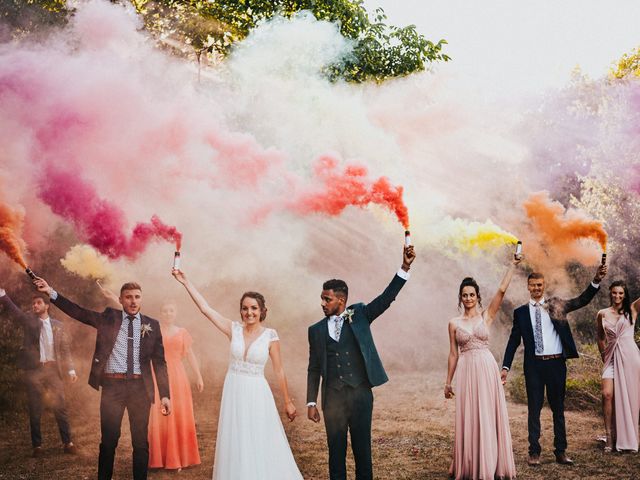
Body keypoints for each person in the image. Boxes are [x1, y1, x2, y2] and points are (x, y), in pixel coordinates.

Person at [33, 277, 171, 480]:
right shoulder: (109, 318)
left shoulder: (152, 325)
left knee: (140, 443)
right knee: (108, 441)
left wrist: (165, 395)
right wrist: (51, 292)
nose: (133, 301)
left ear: (141, 299)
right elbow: (78, 312)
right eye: (128, 297)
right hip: (113, 388)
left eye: (137, 297)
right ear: (121, 300)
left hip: (140, 389)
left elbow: (160, 362)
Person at [172, 269, 302, 480]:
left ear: (262, 311)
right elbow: (206, 309)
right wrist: (186, 282)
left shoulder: (270, 336)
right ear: (240, 311)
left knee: (258, 437)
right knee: (237, 438)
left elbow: (279, 370)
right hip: (234, 389)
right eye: (244, 309)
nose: (249, 313)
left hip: (257, 392)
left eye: (253, 308)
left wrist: (287, 401)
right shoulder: (233, 329)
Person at [307, 243, 416, 480]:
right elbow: (314, 368)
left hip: (361, 396)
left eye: (327, 299)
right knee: (335, 455)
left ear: (341, 300)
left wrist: (404, 267)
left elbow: (386, 299)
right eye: (322, 299)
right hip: (332, 399)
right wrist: (310, 402)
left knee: (362, 454)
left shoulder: (360, 315)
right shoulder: (315, 330)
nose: (323, 303)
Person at [501, 264, 607, 466]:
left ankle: (561, 451)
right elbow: (513, 342)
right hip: (534, 367)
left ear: (544, 285)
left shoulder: (556, 305)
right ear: (528, 287)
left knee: (558, 409)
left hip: (556, 364)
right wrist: (505, 367)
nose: (536, 288)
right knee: (534, 409)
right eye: (533, 285)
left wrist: (596, 280)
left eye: (539, 285)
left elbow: (582, 300)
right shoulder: (521, 313)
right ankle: (534, 452)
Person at [445, 255, 520, 480]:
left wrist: (513, 265)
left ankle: (490, 463)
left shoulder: (486, 316)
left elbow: (502, 290)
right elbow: (453, 354)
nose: (468, 298)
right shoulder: (453, 323)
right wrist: (448, 381)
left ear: (478, 297)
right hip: (466, 370)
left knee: (488, 413)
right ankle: (470, 463)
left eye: (472, 295)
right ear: (460, 297)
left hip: (486, 368)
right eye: (464, 295)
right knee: (470, 415)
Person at [0, 288, 78, 457]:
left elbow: (65, 350)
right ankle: (38, 446)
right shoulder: (29, 321)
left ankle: (68, 443)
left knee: (60, 407)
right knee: (35, 408)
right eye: (33, 303)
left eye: (38, 303)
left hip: (53, 371)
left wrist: (71, 369)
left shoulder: (58, 326)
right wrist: (3, 294)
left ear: (47, 306)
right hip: (34, 371)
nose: (34, 306)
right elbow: (15, 312)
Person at [148, 301, 203, 470]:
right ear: (160, 313)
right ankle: (159, 459)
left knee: (179, 414)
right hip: (158, 376)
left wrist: (199, 376)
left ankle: (180, 457)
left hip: (178, 377)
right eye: (165, 311)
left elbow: (191, 356)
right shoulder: (154, 330)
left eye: (171, 310)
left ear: (176, 313)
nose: (168, 314)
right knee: (160, 414)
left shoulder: (182, 332)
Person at [596, 280, 640, 452]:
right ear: (610, 293)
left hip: (630, 358)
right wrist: (603, 355)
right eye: (614, 292)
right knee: (607, 394)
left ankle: (627, 438)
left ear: (625, 294)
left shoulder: (632, 310)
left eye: (621, 293)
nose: (617, 296)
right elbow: (600, 338)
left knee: (630, 397)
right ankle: (609, 437)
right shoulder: (602, 313)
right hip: (611, 358)